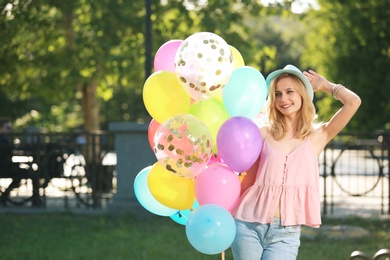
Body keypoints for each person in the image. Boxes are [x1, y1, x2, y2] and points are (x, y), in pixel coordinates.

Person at [230, 65, 361, 259]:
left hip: (286, 233)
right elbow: (248, 175)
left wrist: (326, 86)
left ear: (302, 94)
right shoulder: (264, 133)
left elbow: (353, 102)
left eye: (289, 91)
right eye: (278, 94)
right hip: (247, 224)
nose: (283, 99)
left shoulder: (318, 135)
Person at [0, 117, 41, 206]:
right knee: (31, 174)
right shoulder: (2, 139)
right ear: (1, 128)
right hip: (4, 168)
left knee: (25, 173)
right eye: (8, 128)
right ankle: (36, 201)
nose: (10, 131)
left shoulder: (4, 139)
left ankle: (4, 196)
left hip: (6, 166)